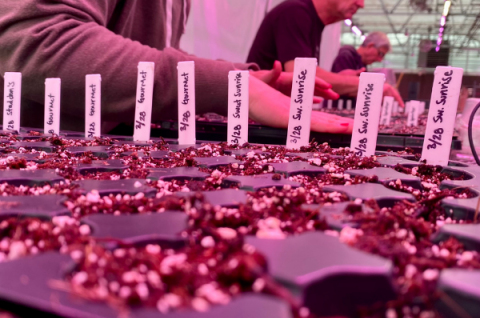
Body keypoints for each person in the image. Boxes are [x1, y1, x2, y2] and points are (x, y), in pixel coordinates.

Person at [0, 0, 352, 135]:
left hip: (102, 162)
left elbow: (148, 52)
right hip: (34, 175)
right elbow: (37, 40)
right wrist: (230, 88)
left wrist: (246, 78)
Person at [247, 0, 404, 107]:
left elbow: (306, 76)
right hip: (256, 117)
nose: (361, 4)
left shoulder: (311, 20)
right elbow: (302, 76)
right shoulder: (295, 13)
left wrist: (342, 79)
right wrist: (369, 86)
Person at [331, 31, 392, 106]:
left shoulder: (362, 64)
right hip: (335, 109)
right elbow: (339, 87)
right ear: (370, 45)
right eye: (381, 54)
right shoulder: (346, 56)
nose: (380, 59)